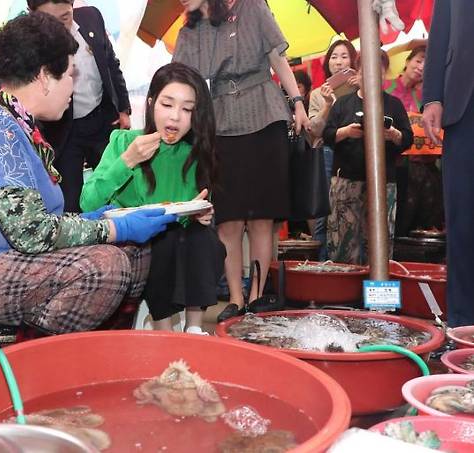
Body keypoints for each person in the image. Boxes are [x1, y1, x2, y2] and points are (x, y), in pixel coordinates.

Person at [0, 12, 176, 334]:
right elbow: (32, 234)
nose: (73, 85)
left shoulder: (18, 127)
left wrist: (95, 220)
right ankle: (43, 361)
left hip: (6, 259)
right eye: (69, 74)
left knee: (134, 252)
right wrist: (112, 227)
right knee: (102, 268)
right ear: (43, 77)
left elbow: (38, 225)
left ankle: (96, 350)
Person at [172, 0, 310, 322]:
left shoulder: (253, 6)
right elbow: (180, 78)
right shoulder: (190, 28)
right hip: (220, 121)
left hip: (265, 113)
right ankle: (235, 297)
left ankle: (258, 295)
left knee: (262, 216)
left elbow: (277, 56)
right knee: (229, 218)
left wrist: (299, 102)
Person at [81, 62, 225, 334]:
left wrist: (199, 213)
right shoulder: (124, 142)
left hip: (177, 242)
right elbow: (88, 202)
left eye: (187, 109)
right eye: (167, 104)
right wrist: (127, 161)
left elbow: (185, 211)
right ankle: (164, 330)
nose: (175, 117)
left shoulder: (193, 154)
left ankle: (194, 330)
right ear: (151, 104)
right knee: (161, 239)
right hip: (130, 241)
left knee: (204, 237)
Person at [27, 0, 131, 213]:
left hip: (102, 120)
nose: (60, 27)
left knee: (116, 189)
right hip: (64, 132)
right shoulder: (30, 42)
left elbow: (111, 64)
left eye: (65, 17)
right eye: (50, 21)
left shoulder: (92, 17)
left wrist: (123, 108)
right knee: (71, 201)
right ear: (33, 15)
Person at [323, 51, 413, 265]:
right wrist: (346, 132)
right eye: (367, 71)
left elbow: (407, 138)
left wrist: (394, 135)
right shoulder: (343, 103)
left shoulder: (394, 104)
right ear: (359, 73)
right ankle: (345, 294)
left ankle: (375, 293)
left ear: (384, 74)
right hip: (346, 182)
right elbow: (327, 136)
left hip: (384, 181)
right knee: (343, 243)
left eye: (379, 72)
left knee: (380, 243)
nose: (373, 76)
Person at [423, 0, 474, 327]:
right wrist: (433, 96)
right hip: (463, 105)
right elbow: (440, 31)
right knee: (462, 219)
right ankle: (463, 324)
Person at [384, 45, 444, 237]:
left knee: (426, 220)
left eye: (427, 65)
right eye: (418, 61)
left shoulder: (427, 97)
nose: (421, 67)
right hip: (396, 164)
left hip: (425, 165)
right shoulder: (386, 87)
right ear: (408, 61)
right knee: (400, 220)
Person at [307, 39, 359, 260]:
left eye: (344, 56)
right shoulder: (318, 94)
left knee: (351, 212)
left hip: (354, 154)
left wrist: (362, 86)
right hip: (327, 153)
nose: (339, 62)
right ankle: (322, 263)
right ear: (328, 63)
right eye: (334, 57)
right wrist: (328, 104)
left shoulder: (361, 89)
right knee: (323, 212)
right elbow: (314, 131)